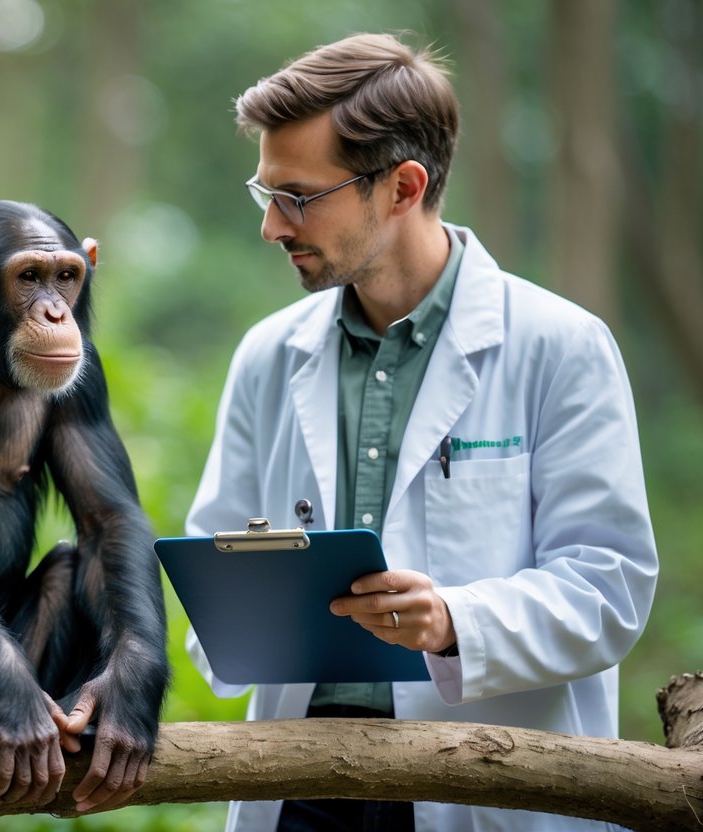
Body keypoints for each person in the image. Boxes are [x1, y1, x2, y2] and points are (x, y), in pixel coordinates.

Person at [185, 32, 658, 832]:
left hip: (486, 784)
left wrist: (451, 621)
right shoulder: (267, 354)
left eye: (296, 197)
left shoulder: (560, 347)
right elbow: (213, 570)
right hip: (299, 786)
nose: (271, 226)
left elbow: (608, 587)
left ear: (402, 187)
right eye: (265, 192)